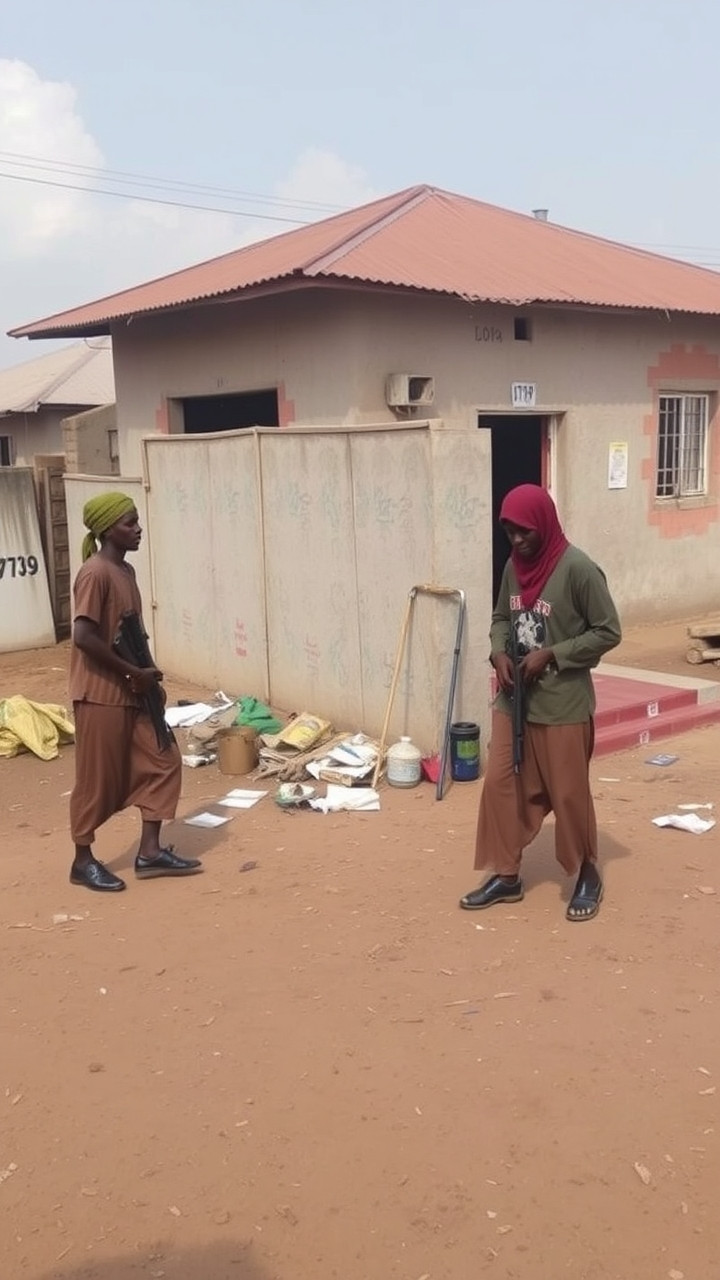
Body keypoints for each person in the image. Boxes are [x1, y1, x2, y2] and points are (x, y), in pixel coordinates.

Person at [460, 484, 621, 921]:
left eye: (524, 532)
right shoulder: (514, 566)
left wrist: (552, 654)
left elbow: (608, 631)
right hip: (514, 702)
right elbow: (501, 618)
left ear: (544, 524)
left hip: (562, 705)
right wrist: (498, 653)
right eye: (509, 532)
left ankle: (587, 872)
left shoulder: (578, 569)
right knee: (499, 784)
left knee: (568, 792)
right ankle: (507, 875)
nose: (517, 541)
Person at [69, 492, 202, 892]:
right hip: (100, 694)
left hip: (133, 690)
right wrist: (133, 673)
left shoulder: (125, 571)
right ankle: (82, 861)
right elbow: (83, 636)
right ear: (108, 529)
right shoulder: (95, 573)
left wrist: (149, 678)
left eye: (137, 521)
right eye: (130, 523)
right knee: (97, 780)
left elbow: (132, 634)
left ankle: (149, 852)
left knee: (164, 760)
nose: (138, 529)